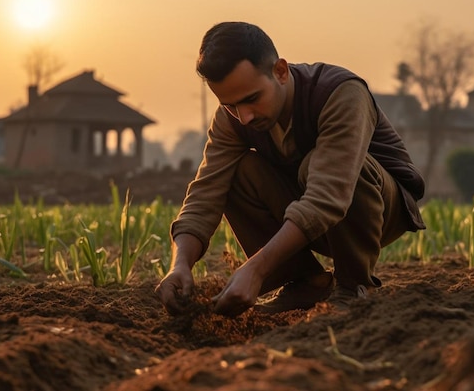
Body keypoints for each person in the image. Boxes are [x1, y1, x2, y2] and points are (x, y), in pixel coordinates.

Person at [155, 21, 425, 317]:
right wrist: (179, 264)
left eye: (252, 99)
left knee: (317, 165)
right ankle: (305, 281)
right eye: (230, 105)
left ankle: (354, 286)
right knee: (236, 170)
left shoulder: (341, 94)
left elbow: (327, 196)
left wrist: (256, 269)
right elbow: (205, 192)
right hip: (305, 208)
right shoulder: (230, 119)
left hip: (378, 209)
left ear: (280, 72)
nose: (243, 117)